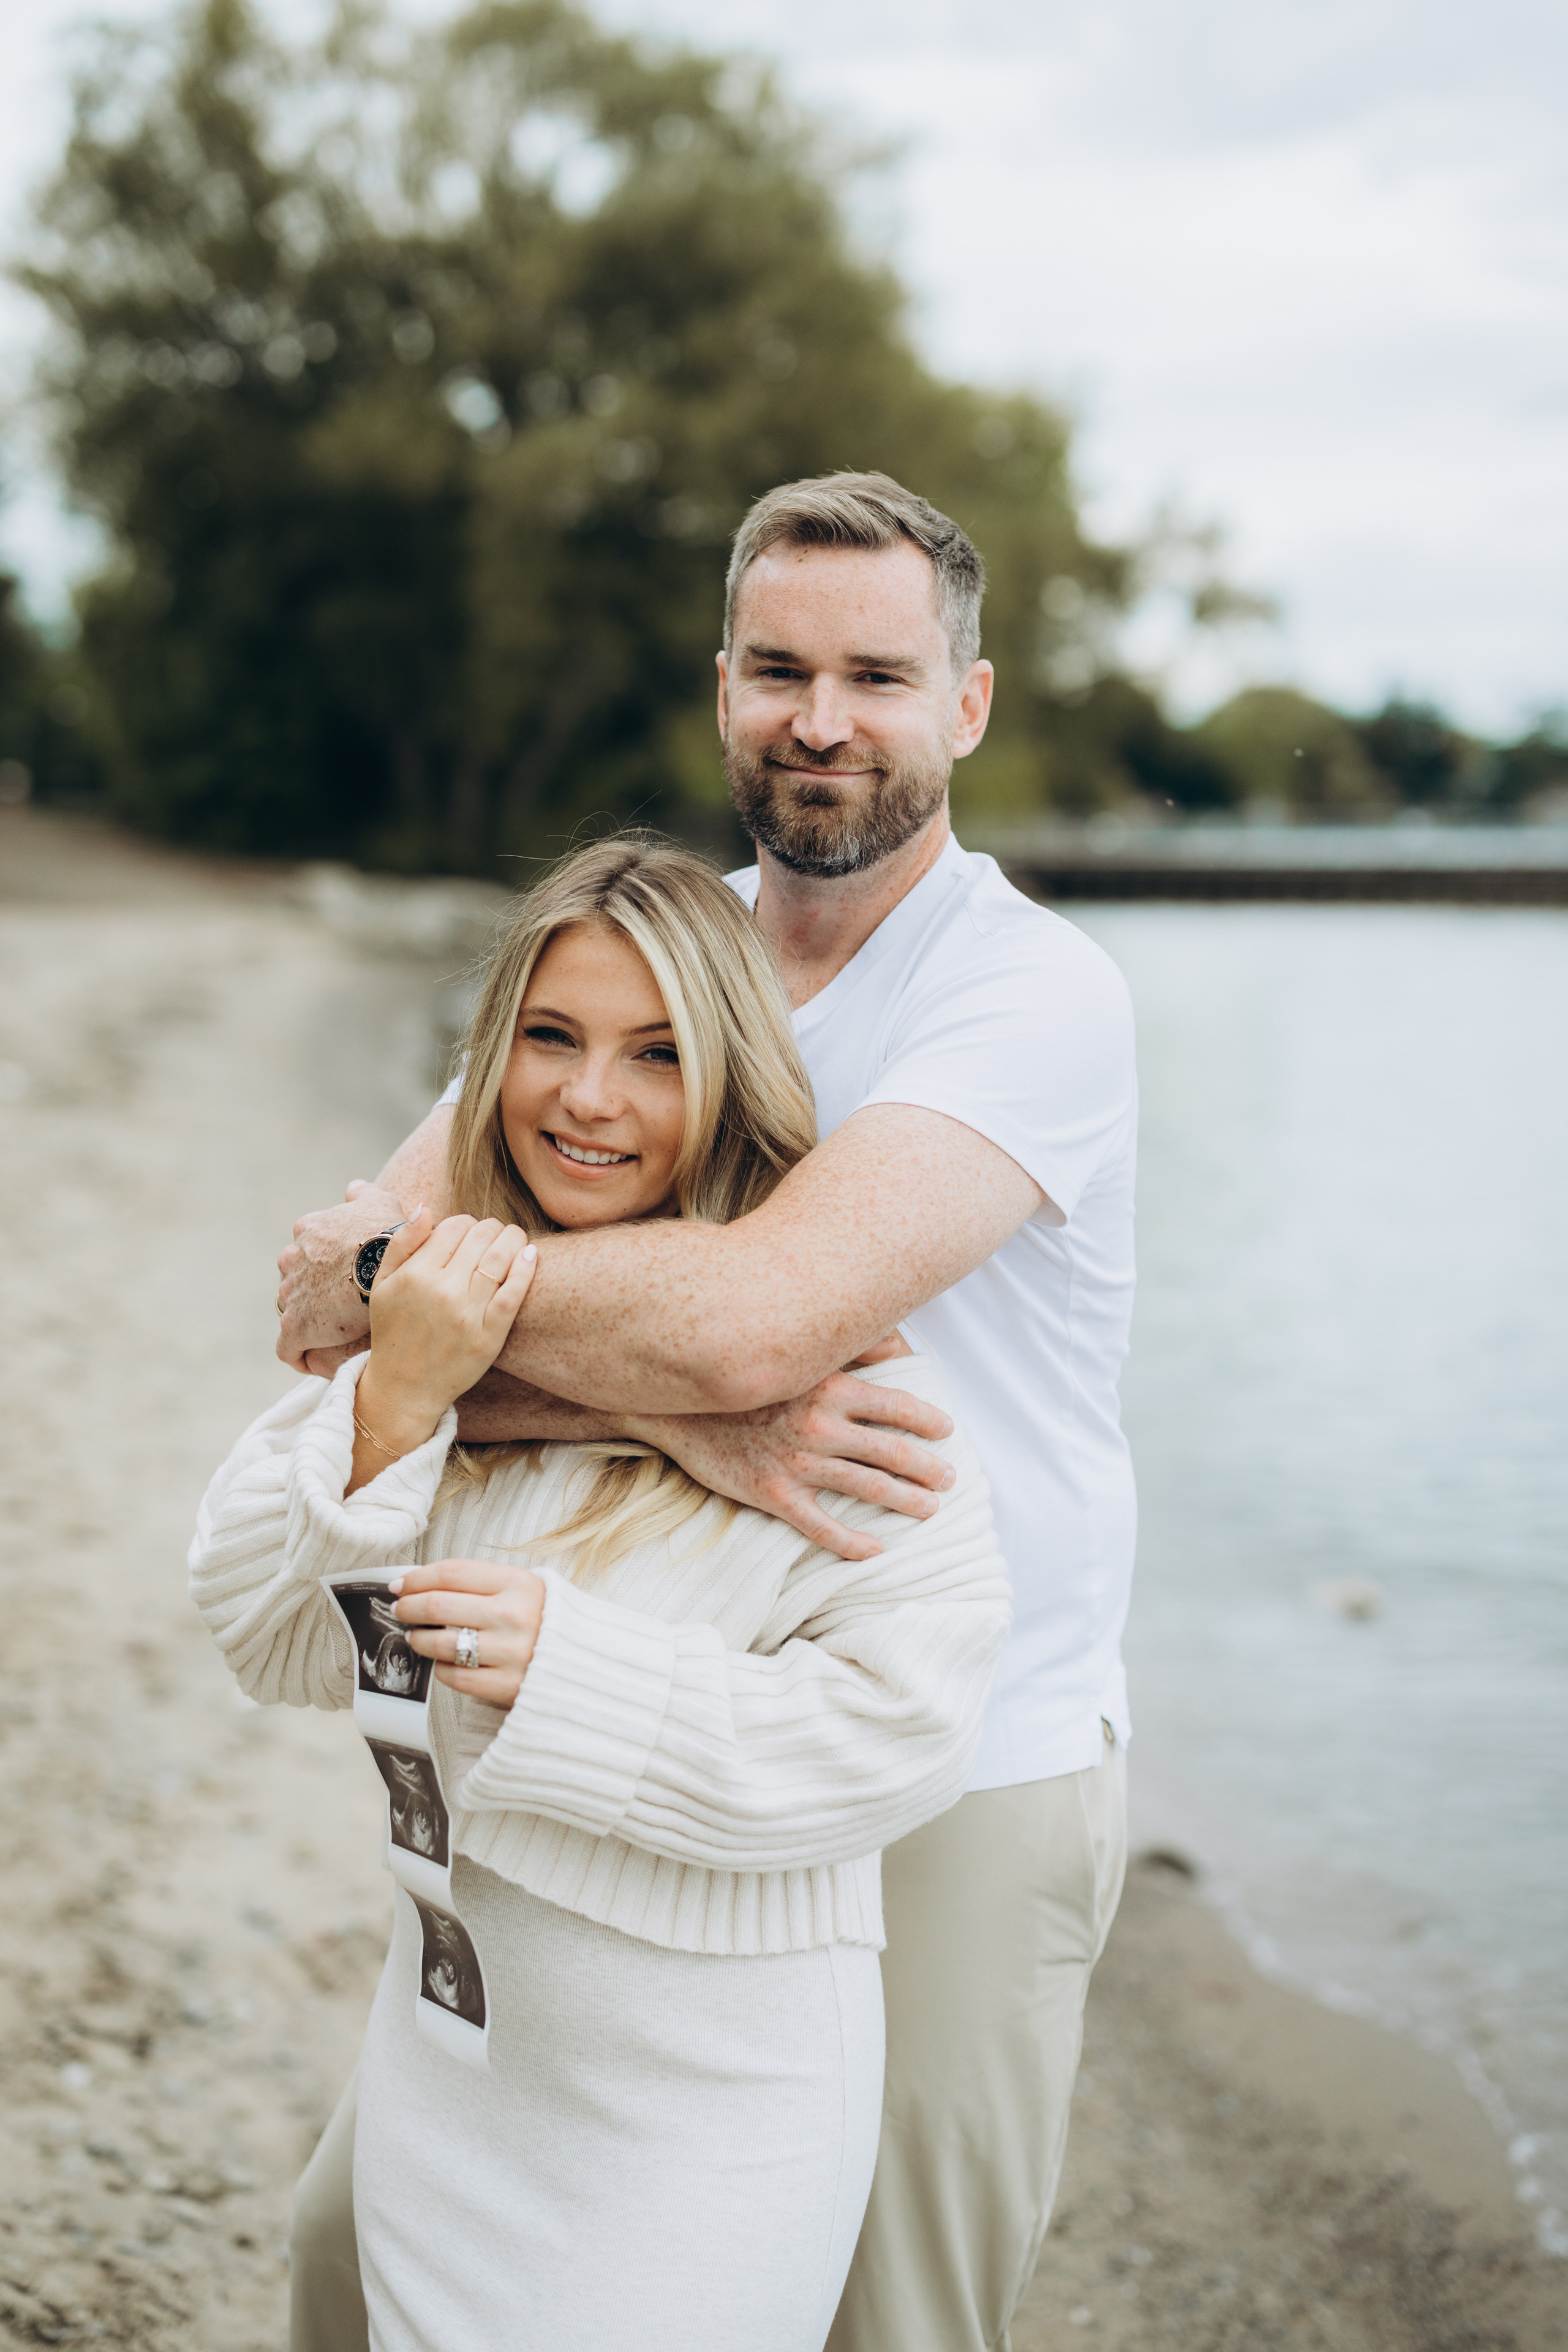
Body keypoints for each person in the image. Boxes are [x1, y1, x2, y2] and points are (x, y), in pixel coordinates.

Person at [277, 471, 1137, 2352]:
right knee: (356, 2256)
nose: (820, 719)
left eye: (876, 676)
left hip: (948, 1751)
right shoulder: (655, 962)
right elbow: (327, 1300)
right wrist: (675, 1420)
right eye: (777, 669)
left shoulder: (1031, 991)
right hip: (613, 1715)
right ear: (722, 688)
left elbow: (748, 1322)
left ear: (965, 707)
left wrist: (448, 1314)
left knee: (883, 2321)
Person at [193, 838, 1011, 2352]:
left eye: (655, 1055)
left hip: (708, 2119)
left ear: (730, 1080)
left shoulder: (827, 1396)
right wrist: (396, 1409)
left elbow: (902, 1733)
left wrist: (575, 1671)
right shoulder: (442, 1348)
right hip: (451, 2067)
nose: (588, 1098)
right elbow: (260, 1631)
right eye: (551, 1040)